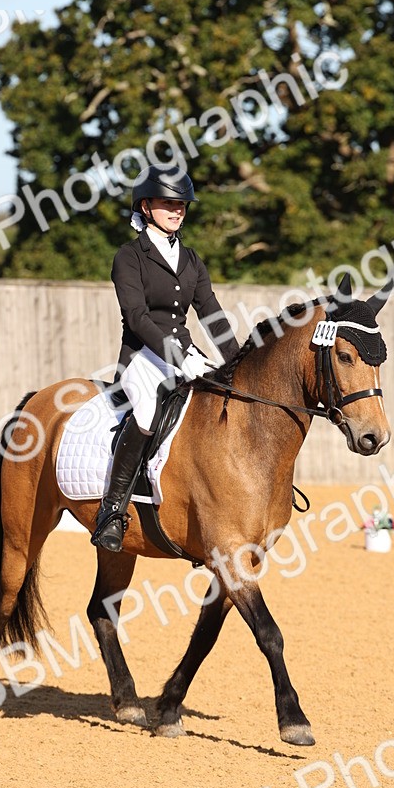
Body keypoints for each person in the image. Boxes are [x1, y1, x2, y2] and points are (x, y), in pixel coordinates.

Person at [91, 164, 240, 552]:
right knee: (144, 414)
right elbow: (137, 317)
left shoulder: (191, 259)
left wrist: (238, 363)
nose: (177, 210)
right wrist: (175, 355)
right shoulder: (129, 257)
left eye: (182, 205)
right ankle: (111, 510)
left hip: (187, 353)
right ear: (145, 206)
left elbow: (212, 313)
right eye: (168, 203)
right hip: (143, 354)